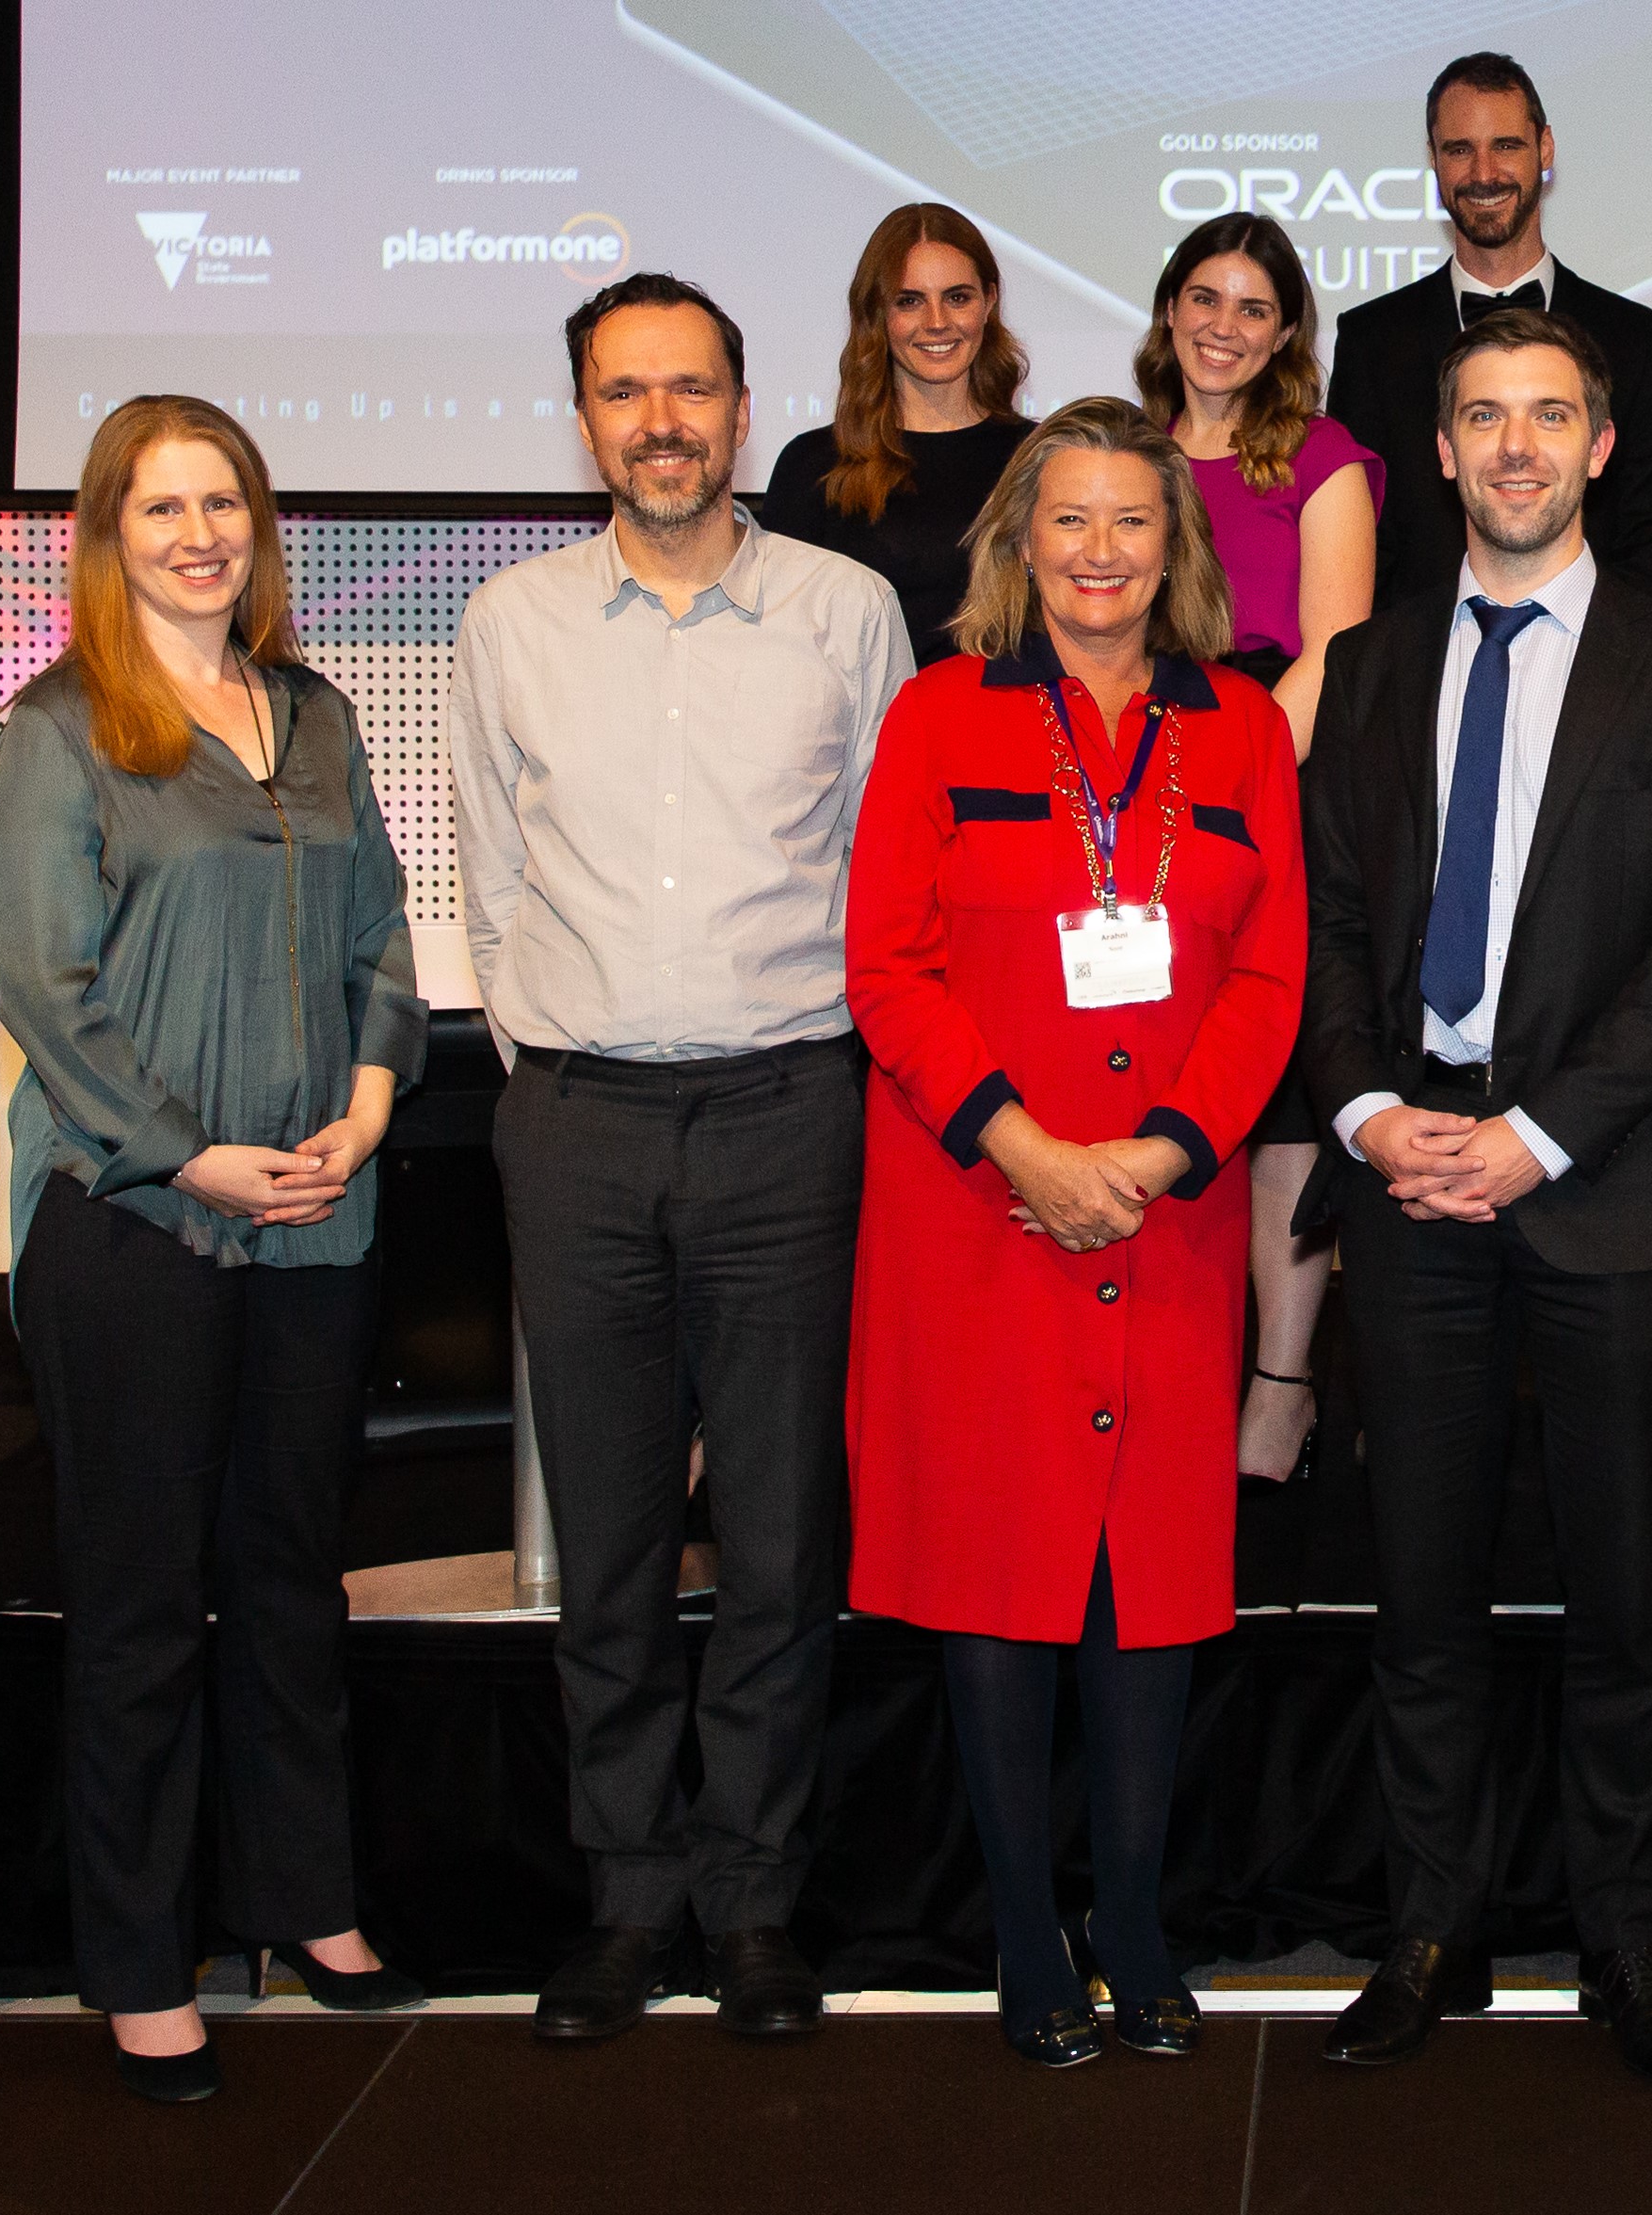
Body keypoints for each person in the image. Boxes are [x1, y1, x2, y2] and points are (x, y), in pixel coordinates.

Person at [446, 272, 910, 2045]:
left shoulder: (845, 611)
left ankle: (759, 1900)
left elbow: (884, 873)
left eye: (692, 389)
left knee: (782, 1538)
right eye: (627, 393)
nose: (663, 422)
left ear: (740, 406)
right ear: (585, 421)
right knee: (614, 1536)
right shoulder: (509, 622)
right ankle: (632, 1899)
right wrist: (552, 1062)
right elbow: (494, 878)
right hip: (576, 1124)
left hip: (791, 1112)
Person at [1296, 307, 1652, 2087]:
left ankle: (1626, 1944)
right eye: (1483, 415)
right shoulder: (1368, 665)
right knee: (1421, 1592)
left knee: (1625, 1594)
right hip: (1407, 1179)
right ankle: (1432, 1931)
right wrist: (1365, 1111)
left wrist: (1538, 1133)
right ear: (1439, 450)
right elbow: (1329, 923)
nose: (1514, 446)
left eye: (1547, 414)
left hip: (1601, 1186)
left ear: (1602, 447)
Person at [846, 399, 1306, 2069]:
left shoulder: (1240, 726)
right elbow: (885, 964)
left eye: (1132, 521)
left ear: (1174, 546)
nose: (1101, 552)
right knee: (995, 1572)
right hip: (978, 1208)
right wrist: (1023, 1146)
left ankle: (1134, 1921)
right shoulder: (938, 714)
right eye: (1070, 520)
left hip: (1166, 1216)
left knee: (1149, 1584)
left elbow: (1272, 973)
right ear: (1018, 543)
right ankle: (1027, 1936)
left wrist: (1166, 1149)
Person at [0, 396, 429, 2102]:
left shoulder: (315, 714)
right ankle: (138, 1960)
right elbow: (48, 989)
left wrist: (369, 1106)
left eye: (222, 501)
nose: (197, 534)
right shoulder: (57, 728)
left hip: (319, 1212)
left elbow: (382, 931)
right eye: (161, 507)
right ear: (108, 531)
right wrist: (194, 1154)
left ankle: (308, 1902)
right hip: (136, 1225)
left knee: (291, 1578)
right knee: (144, 1602)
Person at [1132, 210, 1379, 1485]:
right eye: (1204, 298)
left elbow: (1335, 650)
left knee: (1275, 1105)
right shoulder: (1123, 454)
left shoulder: (1322, 458)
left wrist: (1218, 792)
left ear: (1285, 334)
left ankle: (1280, 1387)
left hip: (1271, 789)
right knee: (1146, 1077)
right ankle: (1158, 1376)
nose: (1222, 327)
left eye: (1252, 308)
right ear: (1169, 308)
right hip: (1124, 797)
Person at [1326, 52, 1652, 612]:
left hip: (1597, 658)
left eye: (1506, 146)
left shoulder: (1640, 341)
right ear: (1433, 160)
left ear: (1545, 149)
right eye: (1459, 150)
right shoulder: (1370, 341)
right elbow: (1359, 547)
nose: (1483, 174)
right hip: (1422, 657)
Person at [761, 203, 1031, 666]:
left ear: (989, 301)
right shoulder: (812, 465)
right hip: (868, 715)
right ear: (876, 312)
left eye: (957, 297)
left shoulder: (1039, 458)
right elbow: (781, 647)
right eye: (909, 301)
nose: (937, 321)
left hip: (1014, 712)